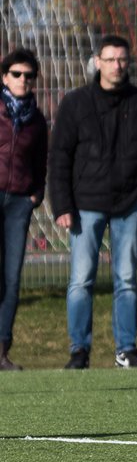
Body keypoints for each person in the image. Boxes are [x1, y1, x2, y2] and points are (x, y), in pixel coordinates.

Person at [48, 35, 137, 369]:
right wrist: (61, 205)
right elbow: (59, 157)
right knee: (81, 280)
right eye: (110, 59)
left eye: (122, 59)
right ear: (97, 62)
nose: (117, 66)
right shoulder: (76, 103)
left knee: (127, 279)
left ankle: (126, 350)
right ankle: (79, 351)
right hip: (85, 205)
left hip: (130, 204)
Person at [0, 49, 49, 370]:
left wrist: (36, 193)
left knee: (12, 279)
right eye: (17, 74)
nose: (23, 80)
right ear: (5, 77)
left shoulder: (36, 119)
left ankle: (2, 352)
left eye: (29, 75)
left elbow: (42, 159)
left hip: (19, 202)